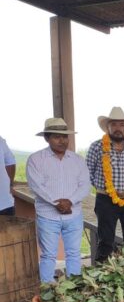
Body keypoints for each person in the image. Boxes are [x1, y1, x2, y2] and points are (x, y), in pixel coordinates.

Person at [26, 118, 90, 282]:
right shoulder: (36, 159)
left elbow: (85, 186)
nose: (62, 141)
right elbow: (36, 186)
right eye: (56, 137)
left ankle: (73, 289)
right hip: (48, 215)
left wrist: (70, 201)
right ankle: (47, 291)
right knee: (48, 255)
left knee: (74, 253)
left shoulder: (77, 160)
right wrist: (58, 203)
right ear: (47, 138)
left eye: (65, 137)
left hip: (73, 214)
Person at [86, 107, 124, 262]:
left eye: (122, 125)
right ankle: (102, 279)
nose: (118, 129)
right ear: (108, 128)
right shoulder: (97, 147)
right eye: (114, 125)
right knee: (106, 240)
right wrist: (105, 189)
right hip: (106, 200)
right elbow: (88, 173)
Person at [0, 134, 16, 216]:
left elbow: (10, 162)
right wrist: (9, 185)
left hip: (4, 203)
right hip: (5, 203)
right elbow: (10, 162)